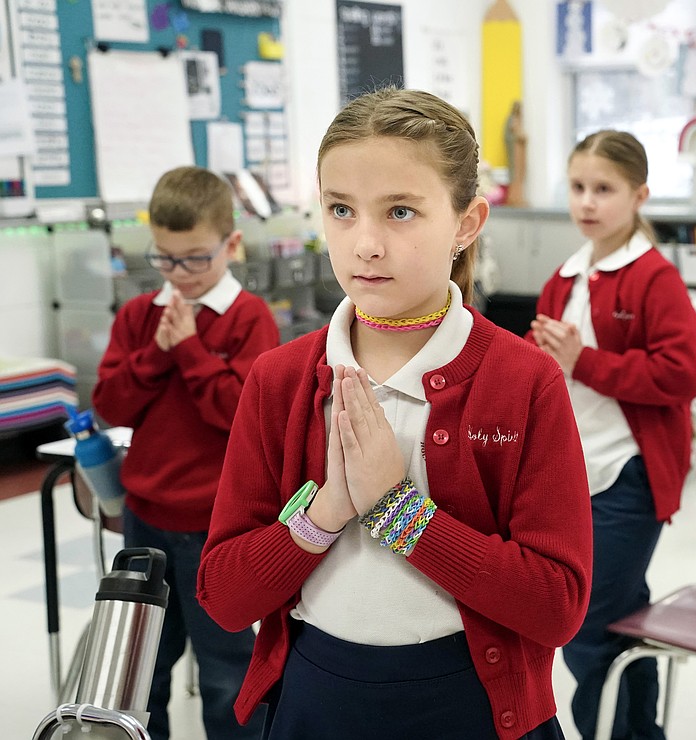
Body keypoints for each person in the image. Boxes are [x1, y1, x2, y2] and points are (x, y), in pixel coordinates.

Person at [196, 88, 593, 740]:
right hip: (320, 693)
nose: (366, 244)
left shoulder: (524, 382)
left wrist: (399, 513)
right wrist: (325, 515)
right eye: (341, 210)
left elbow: (556, 606)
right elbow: (224, 597)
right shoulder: (278, 380)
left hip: (469, 700)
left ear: (467, 223)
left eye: (401, 211)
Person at [529, 130, 696, 740]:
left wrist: (586, 364)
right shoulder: (564, 275)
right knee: (624, 616)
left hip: (627, 473)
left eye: (604, 189)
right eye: (578, 188)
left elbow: (680, 375)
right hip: (574, 471)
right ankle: (641, 732)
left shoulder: (653, 278)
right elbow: (546, 368)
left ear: (639, 196)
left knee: (583, 623)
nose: (587, 202)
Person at [92, 166, 280, 740]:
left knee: (226, 669)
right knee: (142, 666)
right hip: (144, 516)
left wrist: (192, 350)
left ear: (231, 244)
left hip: (215, 524)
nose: (182, 273)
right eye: (167, 259)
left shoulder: (251, 319)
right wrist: (156, 352)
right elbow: (111, 404)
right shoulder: (140, 316)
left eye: (197, 258)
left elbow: (241, 414)